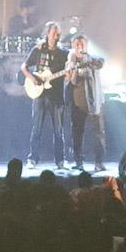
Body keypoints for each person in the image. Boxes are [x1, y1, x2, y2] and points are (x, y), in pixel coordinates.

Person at [21, 21, 68, 170]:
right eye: (54, 33)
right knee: (37, 128)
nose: (57, 36)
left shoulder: (64, 53)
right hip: (39, 94)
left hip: (56, 95)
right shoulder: (38, 49)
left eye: (58, 34)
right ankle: (32, 159)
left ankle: (60, 160)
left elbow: (68, 70)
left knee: (58, 130)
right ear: (47, 34)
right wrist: (32, 78)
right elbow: (24, 66)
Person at [65, 34, 106, 172]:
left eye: (82, 44)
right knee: (77, 132)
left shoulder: (92, 58)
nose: (79, 47)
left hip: (95, 101)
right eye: (77, 44)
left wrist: (88, 60)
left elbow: (101, 62)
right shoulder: (70, 61)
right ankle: (78, 161)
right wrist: (72, 70)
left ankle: (99, 161)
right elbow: (68, 80)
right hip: (78, 102)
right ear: (72, 46)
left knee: (98, 132)